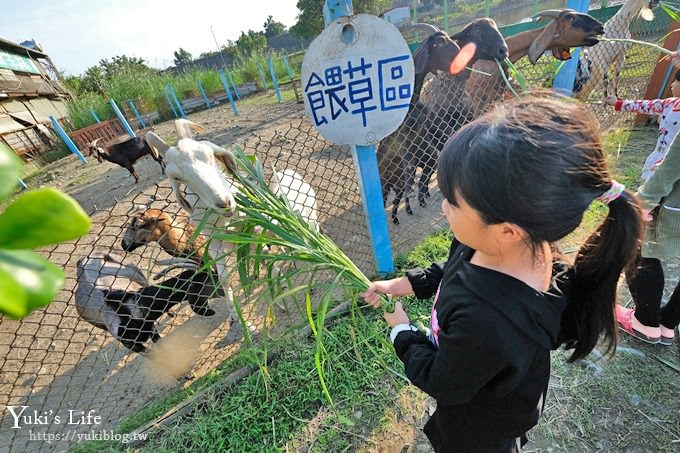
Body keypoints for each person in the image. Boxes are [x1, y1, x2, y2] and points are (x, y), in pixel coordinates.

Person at [361, 95, 643, 453]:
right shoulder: (502, 246)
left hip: (480, 425)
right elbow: (453, 269)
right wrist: (403, 284)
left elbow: (443, 381)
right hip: (490, 385)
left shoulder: (490, 321)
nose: (444, 206)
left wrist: (401, 330)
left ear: (507, 229)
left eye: (453, 201)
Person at [612, 55, 680, 346]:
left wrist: (644, 201)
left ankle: (646, 323)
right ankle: (668, 323)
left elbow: (672, 166)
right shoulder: (667, 104)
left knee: (642, 250)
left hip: (671, 197)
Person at [603, 69, 680, 181]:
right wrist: (618, 103)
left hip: (673, 160)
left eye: (676, 81)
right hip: (659, 155)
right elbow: (644, 105)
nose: (672, 85)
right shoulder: (669, 103)